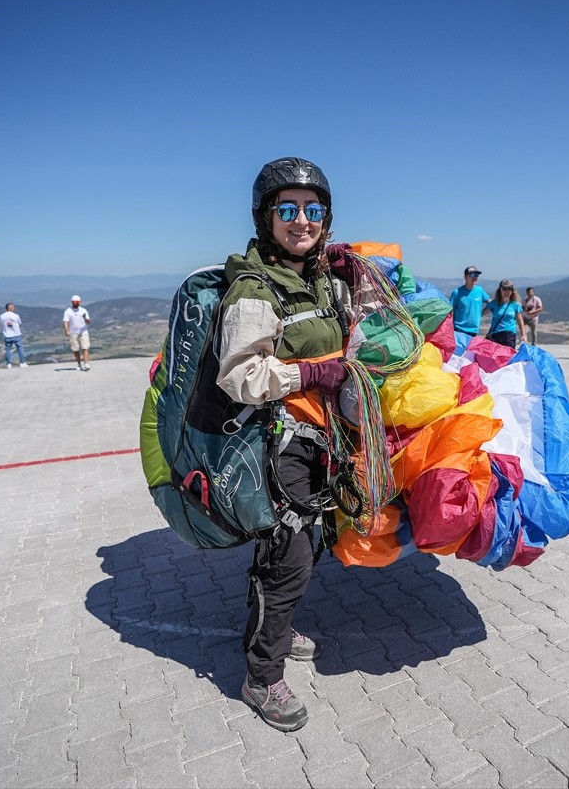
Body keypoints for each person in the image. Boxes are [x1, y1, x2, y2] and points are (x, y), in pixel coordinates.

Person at [216, 156, 348, 731]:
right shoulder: (255, 285)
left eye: (313, 210)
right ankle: (261, 676)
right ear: (265, 217)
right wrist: (311, 375)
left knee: (300, 545)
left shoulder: (319, 275)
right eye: (287, 209)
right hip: (278, 440)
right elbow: (240, 375)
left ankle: (278, 618)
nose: (302, 220)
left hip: (321, 436)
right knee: (289, 555)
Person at [448, 266, 489, 337]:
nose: (475, 277)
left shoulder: (480, 290)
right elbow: (449, 311)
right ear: (465, 276)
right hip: (459, 330)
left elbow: (491, 304)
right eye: (472, 275)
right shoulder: (457, 292)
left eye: (477, 275)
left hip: (474, 331)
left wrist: (480, 314)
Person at [485, 279, 526, 349]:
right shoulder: (494, 303)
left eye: (509, 289)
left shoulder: (515, 305)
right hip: (496, 335)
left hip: (509, 335)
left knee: (508, 357)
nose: (507, 292)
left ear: (512, 291)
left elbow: (520, 321)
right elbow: (480, 314)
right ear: (500, 290)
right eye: (504, 289)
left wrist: (524, 335)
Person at [63, 295, 91, 371]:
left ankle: (86, 364)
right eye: (75, 302)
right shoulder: (68, 311)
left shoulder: (84, 310)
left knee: (85, 347)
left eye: (78, 302)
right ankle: (79, 364)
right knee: (76, 349)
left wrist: (85, 318)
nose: (76, 303)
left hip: (83, 331)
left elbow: (88, 322)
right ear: (72, 302)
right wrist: (66, 330)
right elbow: (65, 321)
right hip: (73, 332)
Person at [0, 303, 28, 369]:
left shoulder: (2, 316)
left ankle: (8, 364)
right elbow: (20, 323)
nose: (14, 308)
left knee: (8, 349)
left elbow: (2, 324)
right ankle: (22, 363)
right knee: (20, 348)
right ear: (10, 308)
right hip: (16, 334)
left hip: (7, 335)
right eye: (13, 307)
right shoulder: (16, 316)